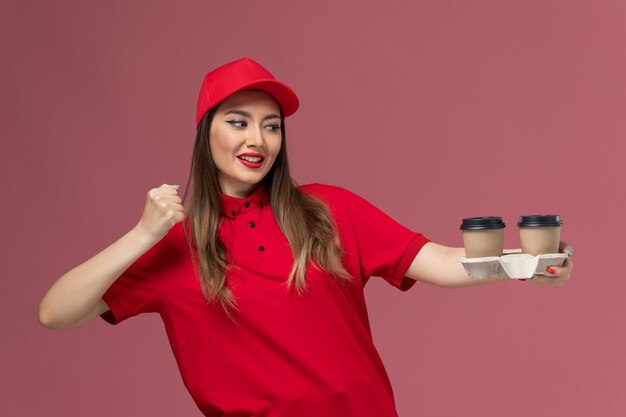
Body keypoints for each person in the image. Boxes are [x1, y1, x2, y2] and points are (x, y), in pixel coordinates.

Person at [38, 57, 574, 417]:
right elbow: (55, 312)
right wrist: (141, 235)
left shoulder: (328, 209)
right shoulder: (174, 244)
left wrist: (525, 265)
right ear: (207, 131)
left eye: (271, 126)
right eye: (239, 121)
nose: (257, 139)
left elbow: (439, 262)